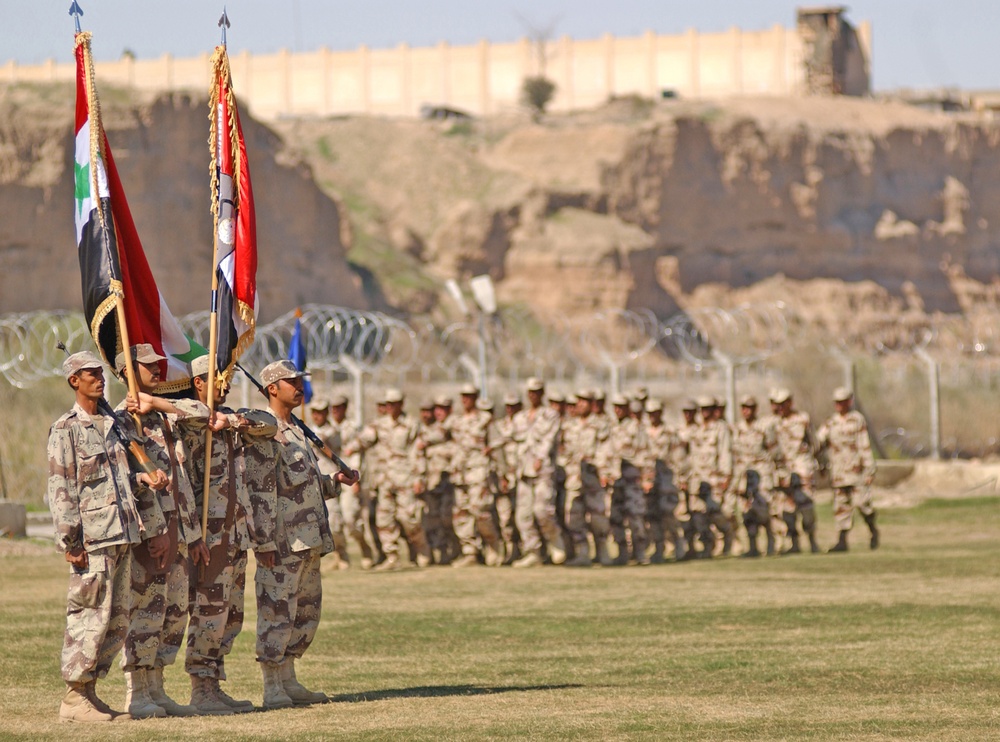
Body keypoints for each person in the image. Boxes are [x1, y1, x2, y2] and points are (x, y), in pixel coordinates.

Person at [47, 351, 168, 723]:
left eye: (100, 373)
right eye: (91, 374)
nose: (100, 379)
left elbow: (116, 480)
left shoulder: (113, 425)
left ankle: (91, 692)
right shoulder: (66, 429)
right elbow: (62, 487)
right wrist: (72, 542)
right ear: (74, 381)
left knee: (116, 619)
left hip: (123, 532)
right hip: (93, 540)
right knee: (89, 616)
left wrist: (142, 480)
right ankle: (73, 696)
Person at [253, 360, 358, 708]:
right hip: (282, 540)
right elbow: (262, 490)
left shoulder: (297, 429)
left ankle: (288, 677)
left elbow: (302, 486)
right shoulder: (265, 431)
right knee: (277, 609)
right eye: (291, 382)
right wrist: (264, 540)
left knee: (304, 611)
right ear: (272, 388)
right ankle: (272, 685)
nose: (299, 388)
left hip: (309, 536)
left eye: (300, 381)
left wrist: (334, 483)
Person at [114, 344, 209, 719]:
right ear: (126, 371)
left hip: (181, 530)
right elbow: (129, 482)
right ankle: (137, 690)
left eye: (158, 362)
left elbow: (203, 412)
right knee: (146, 609)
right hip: (152, 532)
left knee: (174, 611)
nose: (158, 368)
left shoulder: (162, 415)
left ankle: (157, 685)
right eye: (148, 364)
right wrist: (155, 530)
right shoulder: (120, 420)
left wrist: (194, 534)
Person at [181, 354, 277, 714]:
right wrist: (194, 535)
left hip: (236, 533)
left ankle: (214, 682)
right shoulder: (192, 424)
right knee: (209, 610)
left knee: (230, 614)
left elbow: (268, 424)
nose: (225, 382)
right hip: (210, 533)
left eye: (227, 376)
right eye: (216, 377)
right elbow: (186, 487)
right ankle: (200, 686)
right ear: (199, 382)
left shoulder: (231, 422)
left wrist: (231, 420)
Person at [350, 388, 431, 571]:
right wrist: (350, 447)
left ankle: (422, 548)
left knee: (408, 519)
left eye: (394, 404)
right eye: (388, 404)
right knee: (384, 519)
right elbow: (363, 440)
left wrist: (419, 477)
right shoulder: (379, 425)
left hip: (405, 478)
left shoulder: (411, 425)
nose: (391, 408)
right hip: (384, 480)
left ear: (401, 405)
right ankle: (392, 556)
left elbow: (418, 452)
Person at [816, 387, 879, 552]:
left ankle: (873, 529)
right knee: (841, 507)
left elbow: (864, 444)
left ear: (849, 402)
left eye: (842, 402)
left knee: (862, 503)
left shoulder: (857, 420)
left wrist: (869, 469)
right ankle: (842, 541)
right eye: (837, 402)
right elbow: (818, 442)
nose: (839, 405)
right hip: (838, 472)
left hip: (855, 469)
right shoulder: (831, 422)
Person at [510, 378, 565, 567]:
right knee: (523, 515)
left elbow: (549, 439)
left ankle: (554, 540)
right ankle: (533, 552)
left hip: (542, 470)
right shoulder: (519, 418)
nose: (533, 395)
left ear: (542, 393)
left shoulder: (551, 415)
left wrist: (540, 458)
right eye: (530, 392)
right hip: (523, 471)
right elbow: (510, 438)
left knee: (542, 510)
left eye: (537, 391)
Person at [450, 386, 504, 567]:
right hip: (460, 472)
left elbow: (498, 442)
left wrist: (501, 471)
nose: (465, 399)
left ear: (475, 398)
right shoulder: (456, 421)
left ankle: (492, 543)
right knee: (461, 513)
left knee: (480, 510)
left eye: (469, 396)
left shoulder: (485, 419)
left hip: (478, 471)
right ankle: (470, 552)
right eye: (463, 396)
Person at [600, 394, 649, 565]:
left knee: (635, 517)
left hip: (632, 480)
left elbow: (645, 453)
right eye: (616, 406)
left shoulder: (636, 427)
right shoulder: (611, 427)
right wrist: (605, 474)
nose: (618, 410)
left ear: (628, 408)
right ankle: (622, 553)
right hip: (616, 482)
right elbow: (606, 453)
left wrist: (647, 477)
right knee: (615, 518)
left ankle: (640, 553)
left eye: (622, 406)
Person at [772, 388, 820, 554]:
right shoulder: (775, 423)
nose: (780, 407)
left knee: (806, 507)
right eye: (778, 404)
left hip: (802, 469)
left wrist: (814, 464)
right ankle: (794, 543)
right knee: (787, 510)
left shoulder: (802, 419)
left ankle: (813, 541)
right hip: (785, 472)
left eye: (783, 404)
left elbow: (816, 444)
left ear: (790, 403)